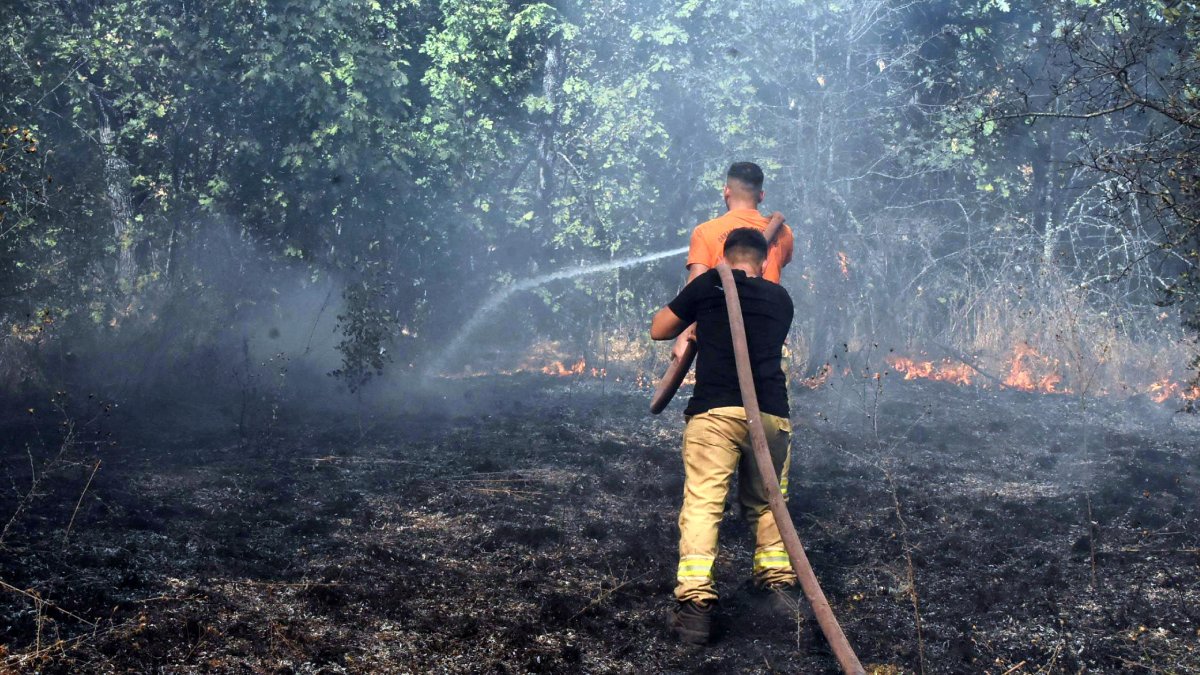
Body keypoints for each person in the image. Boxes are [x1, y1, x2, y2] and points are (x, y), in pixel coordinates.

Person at [650, 227, 798, 645]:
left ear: (722, 255)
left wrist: (696, 321)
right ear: (765, 260)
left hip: (716, 413)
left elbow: (659, 329)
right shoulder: (780, 299)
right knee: (770, 503)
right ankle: (779, 590)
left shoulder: (709, 284)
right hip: (771, 417)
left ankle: (695, 606)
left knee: (703, 504)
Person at [671, 161, 795, 363]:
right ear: (761, 195)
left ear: (726, 191)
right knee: (771, 392)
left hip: (720, 342)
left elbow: (695, 285)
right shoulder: (784, 234)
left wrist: (683, 335)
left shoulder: (706, 232)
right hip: (769, 338)